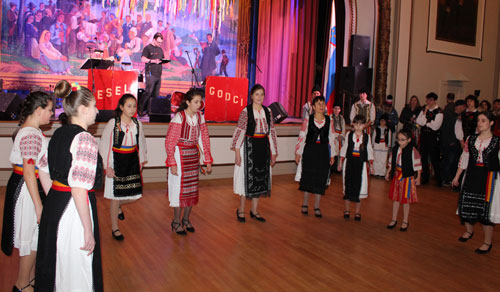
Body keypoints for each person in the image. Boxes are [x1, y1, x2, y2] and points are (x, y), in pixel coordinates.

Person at [35, 81, 103, 291]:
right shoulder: (85, 139)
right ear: (83, 110)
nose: (97, 110)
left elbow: (43, 170)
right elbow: (79, 188)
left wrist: (55, 198)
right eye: (93, 106)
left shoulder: (58, 133)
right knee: (76, 269)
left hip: (56, 206)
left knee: (56, 264)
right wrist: (88, 229)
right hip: (74, 211)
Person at [2, 92, 53, 292]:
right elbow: (30, 172)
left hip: (28, 186)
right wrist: (39, 206)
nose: (52, 114)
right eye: (49, 110)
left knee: (34, 238)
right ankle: (21, 284)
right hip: (28, 190)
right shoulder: (30, 134)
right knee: (31, 238)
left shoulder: (31, 131)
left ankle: (30, 280)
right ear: (39, 110)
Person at [99, 94, 147, 241]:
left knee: (135, 195)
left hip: (131, 160)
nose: (132, 109)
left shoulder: (137, 124)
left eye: (134, 106)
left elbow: (142, 143)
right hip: (116, 160)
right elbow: (104, 145)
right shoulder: (113, 123)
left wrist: (141, 162)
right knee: (115, 195)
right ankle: (115, 228)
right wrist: (107, 167)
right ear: (121, 107)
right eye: (129, 106)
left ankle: (118, 205)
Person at [165, 89, 213, 234]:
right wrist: (172, 162)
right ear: (188, 102)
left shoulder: (200, 117)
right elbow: (170, 142)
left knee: (191, 189)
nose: (199, 105)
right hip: (180, 156)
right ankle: (176, 221)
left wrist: (207, 159)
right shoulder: (179, 117)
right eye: (196, 102)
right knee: (179, 190)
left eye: (200, 102)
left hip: (193, 155)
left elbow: (203, 138)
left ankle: (186, 219)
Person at [452, 111, 500, 254]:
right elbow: (464, 157)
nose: (479, 123)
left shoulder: (497, 142)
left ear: (491, 123)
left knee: (486, 211)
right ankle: (469, 231)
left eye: (483, 120)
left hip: (489, 178)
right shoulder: (471, 139)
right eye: (479, 120)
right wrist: (457, 176)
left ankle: (487, 242)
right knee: (466, 205)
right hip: (472, 175)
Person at [232, 84, 278, 223]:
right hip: (249, 147)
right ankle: (241, 210)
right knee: (246, 180)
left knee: (260, 179)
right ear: (251, 96)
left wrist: (274, 152)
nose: (259, 97)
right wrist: (237, 153)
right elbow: (239, 132)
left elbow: (272, 132)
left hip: (263, 147)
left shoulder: (268, 111)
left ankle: (255, 210)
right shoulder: (246, 111)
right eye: (257, 94)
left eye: (262, 94)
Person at [295, 96, 336, 218]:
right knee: (308, 176)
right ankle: (305, 203)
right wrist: (298, 152)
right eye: (318, 104)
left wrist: (332, 154)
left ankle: (317, 206)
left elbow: (332, 138)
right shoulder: (308, 119)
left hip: (323, 151)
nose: (321, 106)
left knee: (320, 178)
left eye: (323, 103)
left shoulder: (329, 120)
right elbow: (302, 136)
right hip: (310, 150)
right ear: (313, 107)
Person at [337, 114, 374, 221]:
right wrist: (340, 162)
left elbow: (370, 151)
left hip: (361, 165)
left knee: (360, 187)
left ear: (365, 125)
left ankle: (357, 212)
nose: (358, 126)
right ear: (353, 124)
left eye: (361, 124)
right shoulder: (349, 135)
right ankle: (347, 210)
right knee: (348, 185)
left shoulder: (367, 137)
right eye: (356, 124)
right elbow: (344, 149)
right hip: (349, 163)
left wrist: (371, 165)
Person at [385, 129, 422, 232]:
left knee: (406, 200)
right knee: (396, 199)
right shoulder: (396, 149)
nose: (400, 142)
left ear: (409, 140)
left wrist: (418, 177)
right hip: (397, 175)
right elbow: (391, 161)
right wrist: (388, 172)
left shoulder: (412, 150)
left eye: (403, 140)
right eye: (398, 139)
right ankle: (394, 219)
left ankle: (405, 220)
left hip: (407, 177)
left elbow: (417, 164)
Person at [416, 92, 443, 186]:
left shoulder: (439, 112)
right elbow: (419, 121)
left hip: (433, 137)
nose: (428, 102)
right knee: (423, 157)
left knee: (434, 158)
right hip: (424, 135)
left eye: (430, 100)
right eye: (427, 100)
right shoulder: (424, 109)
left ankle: (439, 179)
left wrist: (426, 123)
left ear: (434, 100)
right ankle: (425, 177)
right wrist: (425, 113)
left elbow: (435, 126)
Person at [440, 99, 466, 186]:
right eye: (464, 106)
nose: (464, 108)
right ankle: (446, 179)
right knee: (450, 161)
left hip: (445, 141)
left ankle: (444, 179)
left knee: (446, 161)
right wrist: (461, 143)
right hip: (452, 142)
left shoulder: (448, 115)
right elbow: (458, 132)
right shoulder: (456, 118)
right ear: (460, 106)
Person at [139, 32, 164, 116]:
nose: (159, 44)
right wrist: (152, 61)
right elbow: (143, 59)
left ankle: (151, 111)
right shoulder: (148, 48)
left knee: (155, 94)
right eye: (158, 42)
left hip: (158, 74)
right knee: (148, 92)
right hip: (150, 73)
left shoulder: (160, 49)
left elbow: (161, 59)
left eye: (161, 42)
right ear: (154, 39)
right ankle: (140, 109)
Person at [331, 105, 346, 171]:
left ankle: (338, 168)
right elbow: (330, 128)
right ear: (333, 109)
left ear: (340, 110)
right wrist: (335, 135)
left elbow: (343, 128)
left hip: (340, 136)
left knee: (340, 152)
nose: (337, 110)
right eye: (335, 108)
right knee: (333, 151)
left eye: (338, 109)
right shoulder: (330, 117)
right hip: (333, 136)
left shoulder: (341, 118)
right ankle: (332, 167)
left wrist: (341, 135)